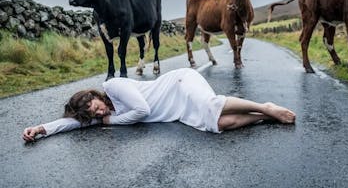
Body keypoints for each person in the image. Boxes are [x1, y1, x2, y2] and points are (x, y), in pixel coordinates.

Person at [22, 68, 295, 142]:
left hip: (178, 83)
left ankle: (266, 106)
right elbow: (70, 124)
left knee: (210, 104)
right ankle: (264, 117)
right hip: (175, 111)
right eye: (93, 115)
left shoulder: (113, 86)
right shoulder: (95, 114)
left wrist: (111, 121)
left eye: (96, 108)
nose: (100, 113)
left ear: (94, 96)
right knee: (217, 125)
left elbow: (142, 110)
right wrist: (42, 128)